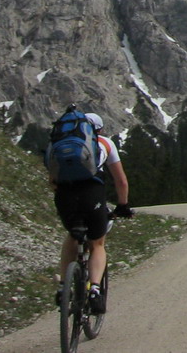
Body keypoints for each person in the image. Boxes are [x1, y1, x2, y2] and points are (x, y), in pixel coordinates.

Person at [51, 112, 133, 314]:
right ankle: (95, 289)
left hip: (64, 195)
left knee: (72, 235)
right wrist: (122, 205)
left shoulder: (60, 143)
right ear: (99, 129)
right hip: (91, 194)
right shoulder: (105, 143)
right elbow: (121, 181)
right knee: (97, 243)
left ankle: (63, 286)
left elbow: (51, 179)